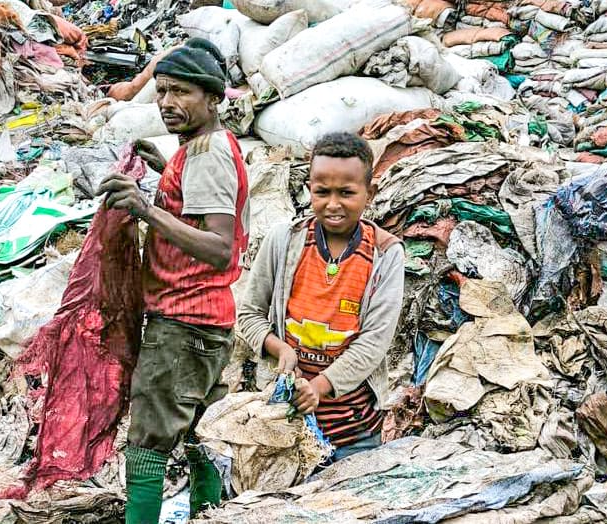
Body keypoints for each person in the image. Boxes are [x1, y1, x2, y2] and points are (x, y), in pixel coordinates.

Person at [96, 38, 250, 523]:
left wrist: (144, 209)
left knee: (149, 439)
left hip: (184, 321)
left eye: (181, 92)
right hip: (203, 319)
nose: (167, 103)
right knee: (192, 427)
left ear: (213, 97)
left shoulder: (207, 153)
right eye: (161, 92)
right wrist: (165, 176)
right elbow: (199, 207)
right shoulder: (201, 149)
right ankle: (209, 513)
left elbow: (218, 246)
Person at [237, 132, 404, 461]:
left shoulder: (386, 254)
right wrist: (280, 349)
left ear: (369, 193)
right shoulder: (284, 241)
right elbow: (249, 315)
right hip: (285, 423)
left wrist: (320, 387)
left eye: (346, 193)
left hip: (354, 431)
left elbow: (374, 342)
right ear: (308, 189)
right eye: (322, 192)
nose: (333, 204)